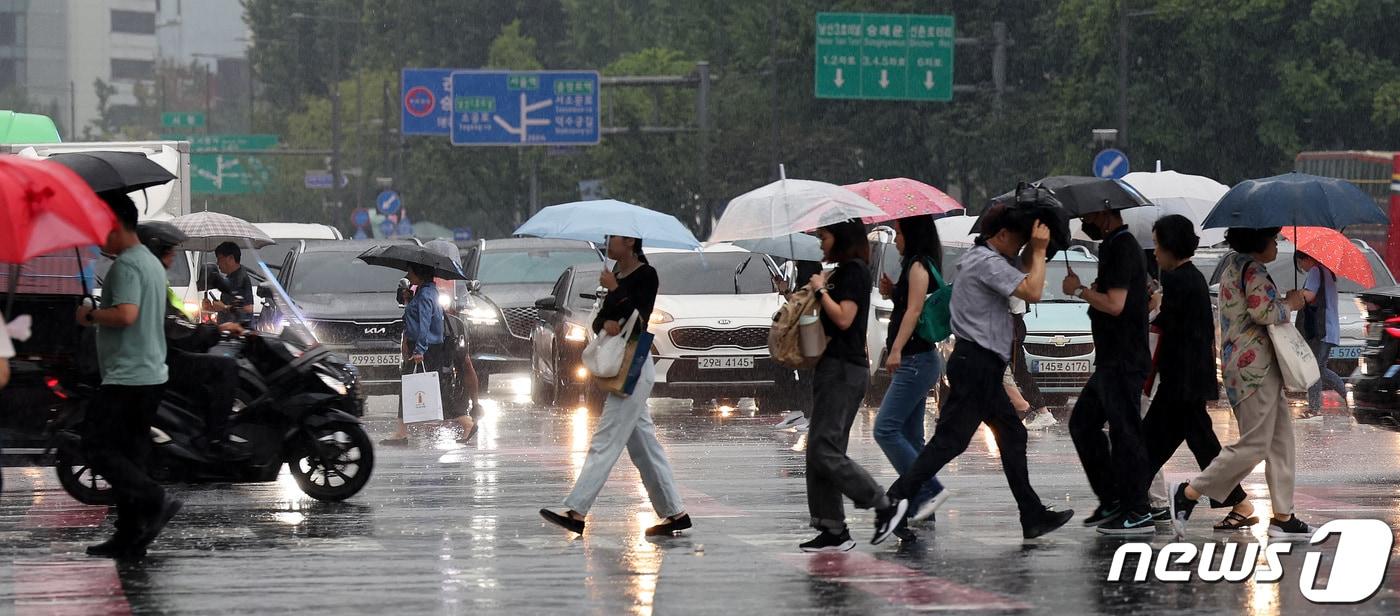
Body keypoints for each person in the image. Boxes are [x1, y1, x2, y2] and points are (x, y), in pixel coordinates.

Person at [882, 203, 1074, 541]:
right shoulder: (986, 263)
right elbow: (1033, 289)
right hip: (977, 364)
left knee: (1009, 436)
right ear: (999, 235)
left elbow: (1024, 269)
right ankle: (894, 501)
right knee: (949, 443)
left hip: (979, 364)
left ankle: (1031, 515)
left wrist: (1038, 246)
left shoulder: (987, 258)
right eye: (1016, 241)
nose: (1019, 248)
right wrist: (1040, 250)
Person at [540, 235, 690, 537]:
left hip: (634, 364)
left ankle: (576, 509)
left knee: (606, 440)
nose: (609, 243)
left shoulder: (646, 275)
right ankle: (674, 512)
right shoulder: (614, 274)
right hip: (620, 362)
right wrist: (604, 321)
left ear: (631, 243)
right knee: (644, 447)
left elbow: (639, 316)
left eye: (616, 239)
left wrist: (614, 289)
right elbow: (601, 322)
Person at [1170, 227, 1313, 539]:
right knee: (1256, 444)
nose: (1276, 244)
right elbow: (1264, 312)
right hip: (1253, 368)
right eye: (1273, 239)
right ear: (1258, 242)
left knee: (1280, 441)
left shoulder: (1238, 265)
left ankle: (1283, 516)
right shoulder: (1251, 269)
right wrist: (1290, 302)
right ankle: (1189, 492)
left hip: (1257, 366)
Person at [74, 194, 182, 559]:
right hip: (149, 373)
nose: (99, 237)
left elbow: (126, 315)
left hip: (128, 377)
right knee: (129, 456)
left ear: (116, 224)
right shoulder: (149, 263)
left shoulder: (125, 267)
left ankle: (155, 499)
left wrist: (90, 316)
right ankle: (130, 534)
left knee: (95, 446)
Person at [798, 219, 909, 552]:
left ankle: (884, 504)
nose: (820, 243)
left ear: (841, 239)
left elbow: (844, 318)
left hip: (844, 370)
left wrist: (819, 289)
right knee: (819, 451)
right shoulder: (840, 273)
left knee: (824, 450)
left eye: (824, 236)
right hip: (831, 367)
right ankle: (832, 528)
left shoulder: (855, 272)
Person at [1141, 215, 1254, 530]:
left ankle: (1132, 502)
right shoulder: (1190, 277)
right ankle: (1239, 503)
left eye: (1157, 244)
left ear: (1170, 246)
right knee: (1197, 443)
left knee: (1151, 445)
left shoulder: (1178, 280)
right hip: (1189, 380)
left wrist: (1154, 307)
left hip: (1180, 382)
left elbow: (1173, 328)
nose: (1154, 252)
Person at [1063, 208, 1155, 535]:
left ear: (1105, 212)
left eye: (1088, 215)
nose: (1084, 222)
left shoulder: (1122, 246)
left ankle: (1138, 509)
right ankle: (1113, 498)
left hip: (1124, 360)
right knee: (1083, 424)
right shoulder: (1112, 246)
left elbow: (1115, 304)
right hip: (1110, 360)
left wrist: (1078, 290)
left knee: (1125, 433)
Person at [138, 222, 247, 460]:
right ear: (158, 252)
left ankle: (198, 430)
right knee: (226, 367)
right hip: (163, 358)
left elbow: (180, 320)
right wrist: (217, 330)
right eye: (170, 250)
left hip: (162, 352)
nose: (173, 255)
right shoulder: (151, 279)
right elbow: (175, 327)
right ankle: (215, 439)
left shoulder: (151, 277)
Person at [872, 215, 948, 528]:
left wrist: (897, 350)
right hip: (920, 361)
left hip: (916, 361)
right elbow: (909, 304)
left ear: (913, 235)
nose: (897, 240)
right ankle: (924, 506)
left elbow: (915, 312)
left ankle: (930, 491)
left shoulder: (918, 266)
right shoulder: (917, 266)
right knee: (912, 438)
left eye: (900, 233)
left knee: (885, 429)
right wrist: (893, 292)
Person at [380, 262, 478, 446]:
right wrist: (409, 299)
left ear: (419, 274)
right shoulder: (425, 292)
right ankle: (401, 432)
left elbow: (425, 324)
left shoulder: (426, 294)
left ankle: (466, 422)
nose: (408, 276)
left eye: (410, 272)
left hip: (427, 349)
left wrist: (419, 350)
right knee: (409, 387)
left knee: (436, 390)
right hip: (424, 347)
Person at [1296, 251, 1348, 417]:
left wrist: (1297, 293)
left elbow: (1310, 296)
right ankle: (1346, 397)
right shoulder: (1326, 271)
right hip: (1329, 329)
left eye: (1301, 262)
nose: (1301, 267)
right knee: (1320, 369)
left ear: (1309, 258)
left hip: (1321, 330)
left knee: (1314, 369)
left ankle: (1314, 408)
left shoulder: (1315, 271)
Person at [205, 241, 254, 326]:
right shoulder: (229, 278)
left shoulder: (242, 278)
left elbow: (248, 308)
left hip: (238, 332)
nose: (217, 263)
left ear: (231, 258)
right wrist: (213, 308)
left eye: (220, 258)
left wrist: (224, 307)